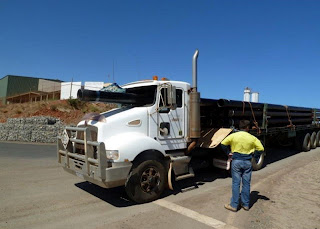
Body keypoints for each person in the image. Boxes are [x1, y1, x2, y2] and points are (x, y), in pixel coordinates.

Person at [221, 120, 264, 212]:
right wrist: (255, 157)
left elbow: (223, 144)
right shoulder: (252, 138)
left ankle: (234, 205)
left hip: (236, 161)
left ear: (239, 127)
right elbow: (261, 148)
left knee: (236, 183)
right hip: (247, 162)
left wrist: (228, 153)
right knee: (246, 183)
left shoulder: (233, 136)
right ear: (248, 128)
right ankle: (246, 204)